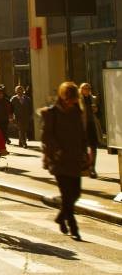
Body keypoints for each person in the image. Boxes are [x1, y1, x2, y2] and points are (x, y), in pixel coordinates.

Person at [42, 81, 89, 240]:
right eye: (69, 99)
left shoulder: (77, 111)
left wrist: (85, 151)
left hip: (75, 158)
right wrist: (56, 150)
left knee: (75, 193)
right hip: (59, 159)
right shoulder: (52, 113)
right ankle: (73, 227)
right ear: (63, 97)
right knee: (66, 193)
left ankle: (61, 217)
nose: (72, 102)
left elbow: (82, 134)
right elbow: (46, 136)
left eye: (74, 99)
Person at [79, 83, 101, 179]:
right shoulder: (78, 99)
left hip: (92, 124)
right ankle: (86, 167)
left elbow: (98, 112)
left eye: (88, 88)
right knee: (83, 148)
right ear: (81, 89)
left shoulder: (93, 98)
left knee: (93, 147)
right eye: (85, 88)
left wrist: (95, 109)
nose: (87, 90)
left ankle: (92, 168)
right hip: (83, 126)